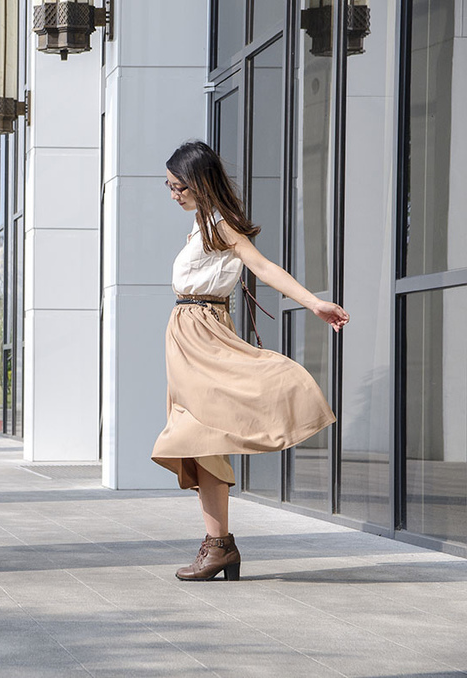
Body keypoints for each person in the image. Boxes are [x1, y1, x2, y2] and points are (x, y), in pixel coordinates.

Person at [152, 141, 349, 581]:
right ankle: (219, 544)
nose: (173, 194)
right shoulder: (201, 226)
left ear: (199, 184)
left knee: (197, 435)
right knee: (197, 439)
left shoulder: (219, 227)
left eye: (178, 186)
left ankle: (219, 545)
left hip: (203, 332)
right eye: (167, 186)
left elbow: (262, 267)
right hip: (189, 334)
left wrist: (313, 303)